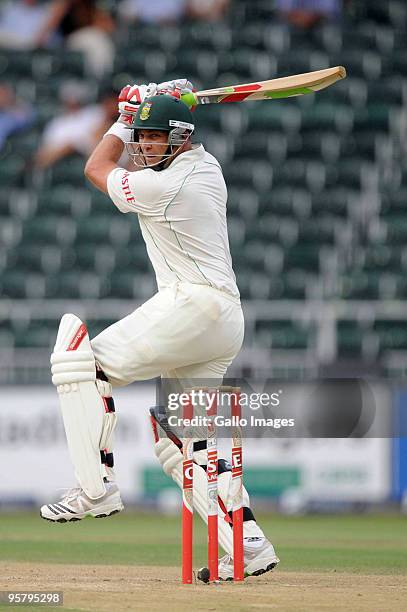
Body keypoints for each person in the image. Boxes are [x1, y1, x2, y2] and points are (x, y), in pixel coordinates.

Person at [40, 79, 279, 581]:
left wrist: (125, 121)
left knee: (81, 364)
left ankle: (95, 486)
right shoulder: (205, 165)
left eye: (153, 138)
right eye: (143, 136)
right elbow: (136, 149)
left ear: (180, 137)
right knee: (180, 442)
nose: (145, 146)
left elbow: (96, 167)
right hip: (221, 317)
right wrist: (151, 108)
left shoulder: (166, 186)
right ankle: (247, 542)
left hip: (193, 304)